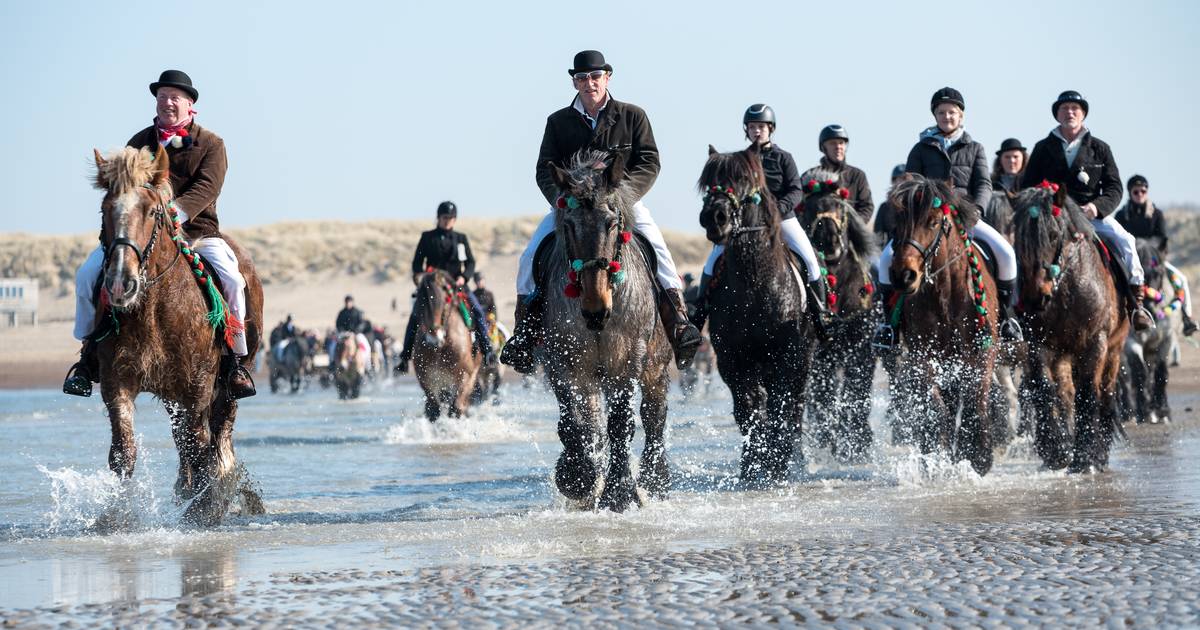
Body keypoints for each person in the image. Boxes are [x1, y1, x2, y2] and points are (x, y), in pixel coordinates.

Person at [501, 50, 701, 374]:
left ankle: (678, 324)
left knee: (659, 250)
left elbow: (649, 161)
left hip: (621, 204)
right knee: (529, 258)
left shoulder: (632, 116)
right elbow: (543, 169)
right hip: (573, 208)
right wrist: (562, 199)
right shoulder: (557, 122)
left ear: (607, 77)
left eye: (595, 77)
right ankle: (524, 333)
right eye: (582, 78)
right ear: (574, 82)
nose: (589, 83)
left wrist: (623, 195)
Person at [63, 70, 255, 398]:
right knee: (86, 276)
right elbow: (122, 191)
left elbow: (208, 186)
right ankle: (87, 357)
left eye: (175, 97)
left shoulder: (212, 144)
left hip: (198, 231)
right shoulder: (138, 142)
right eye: (162, 96)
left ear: (190, 104)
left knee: (234, 281)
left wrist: (174, 213)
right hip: (140, 235)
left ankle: (233, 359)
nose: (167, 102)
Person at [873, 87, 1023, 349]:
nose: (947, 117)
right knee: (887, 259)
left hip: (966, 218)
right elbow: (909, 185)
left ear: (961, 116)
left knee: (1006, 255)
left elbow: (984, 184)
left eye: (952, 112)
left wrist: (976, 210)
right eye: (941, 112)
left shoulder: (975, 148)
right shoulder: (920, 148)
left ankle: (1006, 321)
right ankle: (890, 326)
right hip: (929, 220)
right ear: (935, 116)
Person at [689, 104, 831, 336]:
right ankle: (699, 315)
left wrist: (777, 209)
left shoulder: (784, 157)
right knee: (712, 261)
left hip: (782, 219)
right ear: (747, 129)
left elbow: (795, 190)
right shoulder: (740, 159)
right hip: (747, 222)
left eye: (762, 127)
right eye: (753, 127)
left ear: (770, 129)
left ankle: (820, 315)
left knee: (809, 260)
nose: (757, 131)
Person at [1022, 90, 1154, 330]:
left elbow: (1114, 187)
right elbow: (1028, 185)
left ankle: (1137, 304)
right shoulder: (1043, 147)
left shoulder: (1100, 148)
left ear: (1083, 114)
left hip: (1089, 215)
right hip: (1055, 218)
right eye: (1064, 109)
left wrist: (1097, 207)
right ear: (1057, 114)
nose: (1069, 112)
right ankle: (1017, 308)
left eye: (1075, 108)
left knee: (1127, 241)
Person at [395, 201, 496, 373]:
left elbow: (470, 262)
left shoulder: (461, 239)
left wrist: (464, 278)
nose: (448, 221)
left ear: (455, 219)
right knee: (414, 316)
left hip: (456, 285)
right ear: (438, 218)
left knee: (478, 310)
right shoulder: (427, 237)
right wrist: (422, 278)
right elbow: (417, 263)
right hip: (432, 287)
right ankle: (405, 358)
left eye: (451, 218)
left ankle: (487, 350)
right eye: (444, 218)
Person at [1114, 175, 1195, 335]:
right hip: (1129, 261)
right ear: (1130, 193)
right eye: (1136, 191)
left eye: (1143, 191)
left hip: (1154, 261)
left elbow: (1162, 238)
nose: (1140, 194)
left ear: (1147, 191)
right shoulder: (1121, 216)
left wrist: (1146, 248)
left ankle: (1187, 320)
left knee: (1183, 280)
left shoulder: (1157, 214)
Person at [811, 124, 874, 222]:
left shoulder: (857, 175)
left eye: (841, 143)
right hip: (817, 230)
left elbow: (867, 207)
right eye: (833, 143)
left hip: (850, 232)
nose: (838, 147)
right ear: (823, 147)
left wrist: (850, 226)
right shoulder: (811, 176)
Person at [984, 138, 1028, 238]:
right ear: (1000, 160)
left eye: (1016, 157)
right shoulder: (989, 183)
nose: (1012, 161)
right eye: (1007, 157)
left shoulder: (1029, 184)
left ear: (1023, 158)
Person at [871, 164, 907, 248]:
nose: (901, 182)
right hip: (891, 247)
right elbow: (878, 233)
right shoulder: (884, 207)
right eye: (898, 179)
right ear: (893, 182)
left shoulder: (915, 206)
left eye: (904, 179)